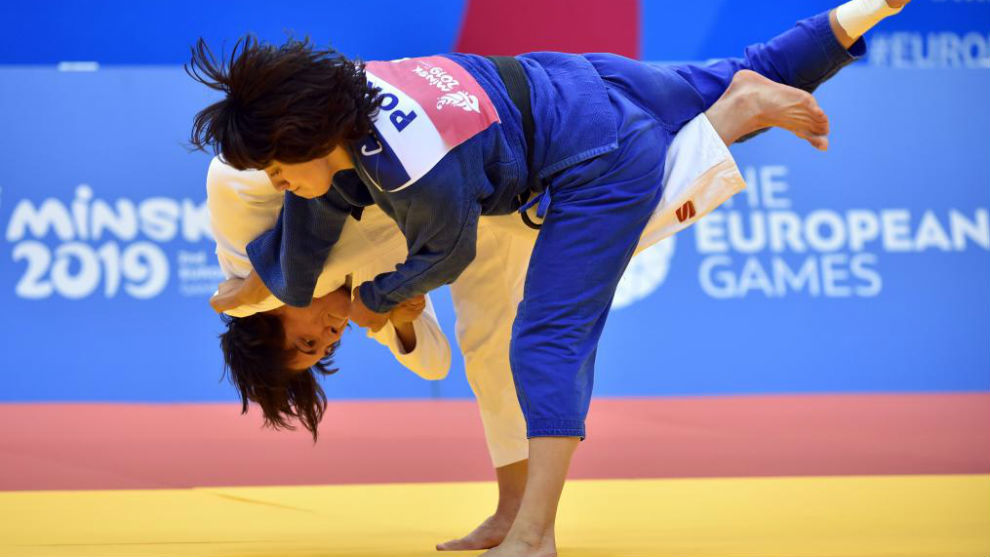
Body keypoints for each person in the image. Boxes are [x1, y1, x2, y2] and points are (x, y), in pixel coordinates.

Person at [190, 2, 909, 555]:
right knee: (492, 344)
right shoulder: (344, 126)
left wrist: (345, 294)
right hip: (556, 78)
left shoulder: (286, 188)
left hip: (579, 156)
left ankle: (535, 531)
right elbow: (332, 243)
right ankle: (861, 11)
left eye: (309, 341)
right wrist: (314, 293)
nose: (327, 336)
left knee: (549, 336)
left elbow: (443, 254)